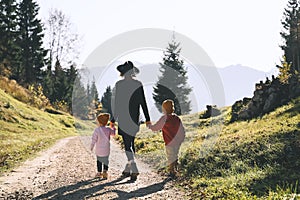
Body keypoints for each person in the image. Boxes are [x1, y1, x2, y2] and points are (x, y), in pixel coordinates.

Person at [111, 61, 151, 181]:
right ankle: (128, 169)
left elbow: (117, 104)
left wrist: (113, 119)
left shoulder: (119, 84)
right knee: (131, 143)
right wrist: (148, 119)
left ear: (122, 73)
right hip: (134, 118)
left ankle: (134, 167)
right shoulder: (138, 84)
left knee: (128, 145)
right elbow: (143, 102)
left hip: (123, 118)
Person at [148, 99, 185, 177]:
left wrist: (149, 126)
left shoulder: (164, 119)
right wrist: (182, 138)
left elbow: (156, 127)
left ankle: (172, 171)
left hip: (169, 142)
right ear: (172, 108)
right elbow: (182, 129)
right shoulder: (176, 118)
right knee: (175, 155)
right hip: (177, 141)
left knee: (170, 156)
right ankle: (176, 168)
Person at [91, 113, 116, 179]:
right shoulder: (108, 129)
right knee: (106, 160)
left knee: (99, 161)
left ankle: (99, 173)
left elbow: (94, 139)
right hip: (106, 149)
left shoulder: (97, 130)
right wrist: (113, 127)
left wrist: (91, 146)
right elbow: (113, 134)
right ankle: (105, 172)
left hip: (99, 150)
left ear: (99, 122)